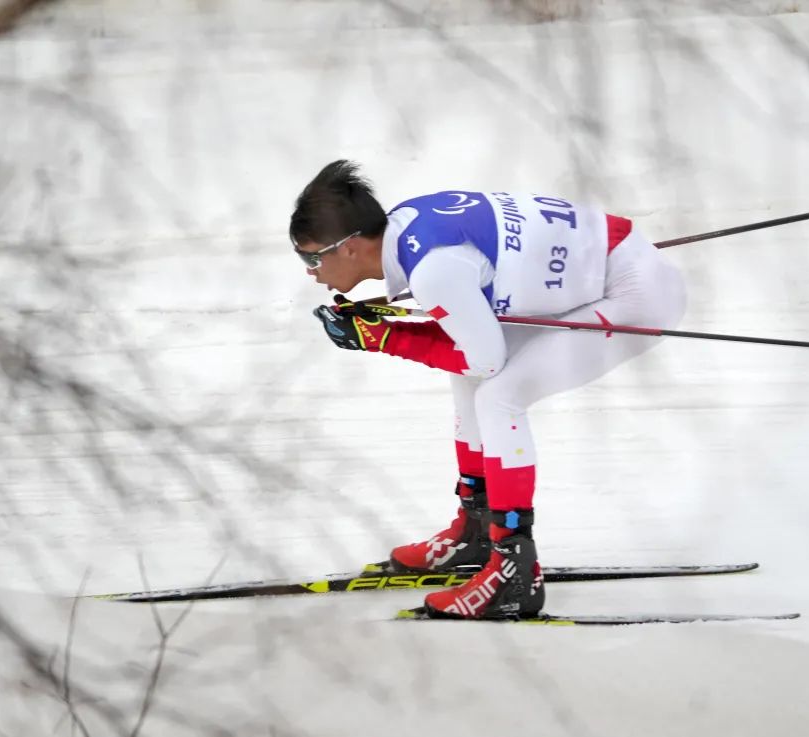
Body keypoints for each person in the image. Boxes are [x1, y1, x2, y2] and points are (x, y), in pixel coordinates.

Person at [289, 160, 686, 619]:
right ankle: (475, 530)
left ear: (353, 246)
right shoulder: (409, 223)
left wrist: (384, 337)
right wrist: (388, 321)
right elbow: (466, 321)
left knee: (500, 396)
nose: (310, 271)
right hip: (608, 267)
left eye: (312, 257)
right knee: (472, 379)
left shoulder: (433, 270)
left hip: (636, 295)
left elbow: (484, 356)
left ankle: (513, 570)